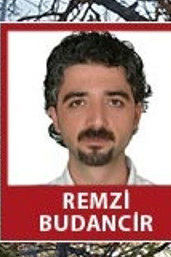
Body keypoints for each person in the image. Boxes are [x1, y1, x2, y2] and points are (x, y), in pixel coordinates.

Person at [44, 32, 152, 185]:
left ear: (136, 115)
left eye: (114, 102)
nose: (97, 122)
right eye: (78, 103)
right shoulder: (27, 208)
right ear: (55, 118)